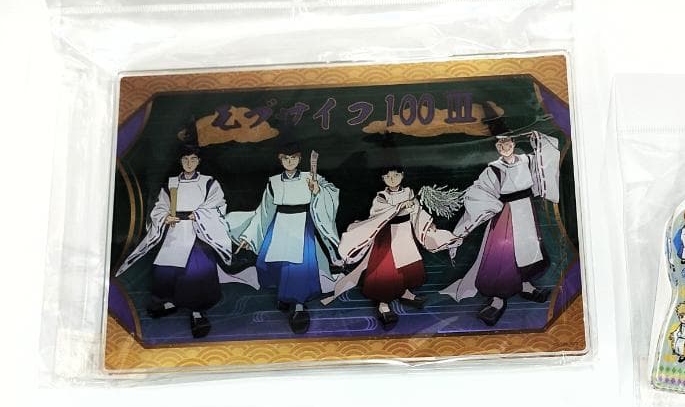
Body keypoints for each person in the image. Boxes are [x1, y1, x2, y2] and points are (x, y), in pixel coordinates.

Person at [442, 113, 559, 326]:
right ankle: (497, 299)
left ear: (514, 142)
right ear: (497, 147)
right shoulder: (493, 169)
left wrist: (537, 137)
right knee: (502, 255)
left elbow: (547, 159)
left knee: (529, 248)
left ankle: (525, 285)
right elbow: (479, 190)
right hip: (505, 214)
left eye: (507, 142)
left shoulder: (527, 160)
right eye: (500, 144)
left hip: (526, 210)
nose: (504, 147)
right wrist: (493, 205)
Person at [115, 141, 234, 339]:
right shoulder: (172, 183)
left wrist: (200, 215)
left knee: (196, 271)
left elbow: (218, 204)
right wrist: (164, 217)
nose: (189, 163)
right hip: (175, 229)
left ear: (199, 161)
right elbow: (160, 206)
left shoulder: (209, 182)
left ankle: (197, 312)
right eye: (185, 159)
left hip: (198, 232)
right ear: (180, 161)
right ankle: (170, 302)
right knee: (167, 270)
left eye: (193, 159)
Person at [325, 156, 456, 328]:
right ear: (383, 179)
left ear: (402, 175)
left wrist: (426, 221)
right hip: (387, 237)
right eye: (387, 176)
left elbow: (417, 211)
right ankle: (383, 304)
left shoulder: (409, 192)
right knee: (387, 270)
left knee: (407, 265)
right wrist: (400, 207)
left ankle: (405, 292)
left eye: (395, 175)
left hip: (405, 234)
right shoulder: (381, 197)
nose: (392, 179)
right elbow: (379, 213)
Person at [230, 140, 341, 334]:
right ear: (280, 160)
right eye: (286, 158)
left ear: (299, 159)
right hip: (279, 223)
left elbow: (331, 193)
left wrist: (318, 190)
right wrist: (249, 236)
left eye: (293, 158)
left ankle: (299, 307)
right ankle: (284, 295)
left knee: (299, 267)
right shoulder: (273, 182)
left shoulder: (310, 177)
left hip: (302, 224)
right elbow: (264, 211)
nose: (290, 162)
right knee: (273, 262)